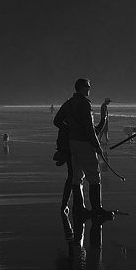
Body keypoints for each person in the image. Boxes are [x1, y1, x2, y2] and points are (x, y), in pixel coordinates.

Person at [54, 78, 105, 216]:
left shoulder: (68, 103)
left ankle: (80, 208)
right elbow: (89, 128)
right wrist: (97, 145)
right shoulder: (84, 104)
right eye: (88, 86)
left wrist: (70, 130)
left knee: (77, 176)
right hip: (84, 142)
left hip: (73, 142)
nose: (90, 89)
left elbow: (57, 121)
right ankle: (96, 209)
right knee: (94, 175)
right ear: (82, 87)